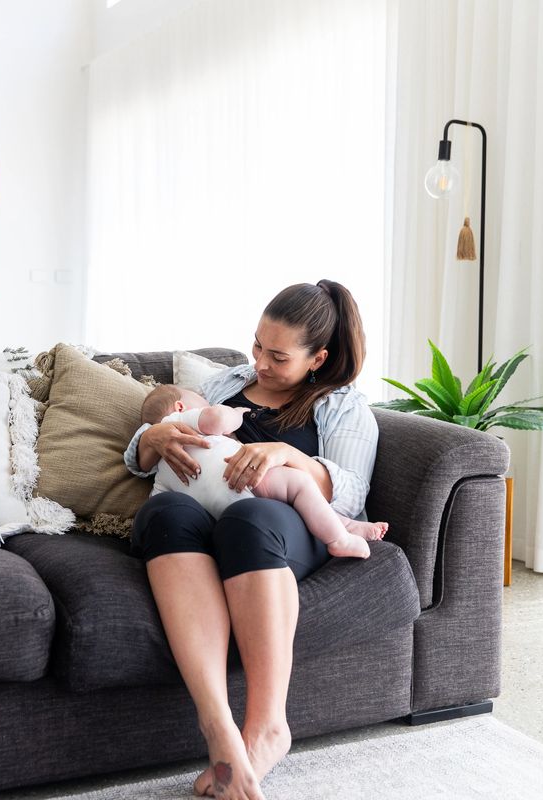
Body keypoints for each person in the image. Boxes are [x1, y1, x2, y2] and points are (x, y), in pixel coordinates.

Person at [125, 280, 379, 800]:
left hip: (284, 523)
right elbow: (146, 449)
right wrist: (152, 438)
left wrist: (287, 456)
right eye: (258, 345)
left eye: (278, 356)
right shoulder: (226, 383)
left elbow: (349, 494)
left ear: (318, 359)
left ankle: (266, 730)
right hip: (202, 512)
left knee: (249, 521)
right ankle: (219, 730)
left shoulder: (341, 405)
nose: (260, 362)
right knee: (164, 513)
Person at [140, 384, 387, 558]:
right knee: (299, 486)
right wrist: (234, 414)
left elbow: (158, 497)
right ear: (180, 406)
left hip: (215, 513)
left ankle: (345, 524)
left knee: (294, 503)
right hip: (243, 475)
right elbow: (216, 419)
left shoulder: (162, 467)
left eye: (278, 356)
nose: (208, 404)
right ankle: (339, 537)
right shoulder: (184, 420)